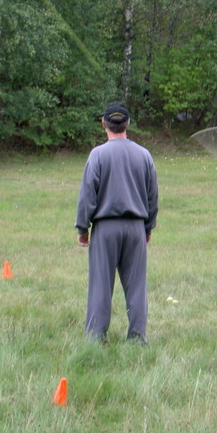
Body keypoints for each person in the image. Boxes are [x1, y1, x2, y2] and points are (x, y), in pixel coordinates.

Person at [75, 102, 159, 344]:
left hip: (105, 228)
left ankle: (95, 338)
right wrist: (148, 227)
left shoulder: (97, 154)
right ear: (128, 124)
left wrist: (83, 228)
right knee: (136, 286)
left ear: (104, 124)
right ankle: (136, 338)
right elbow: (153, 195)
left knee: (101, 284)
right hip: (135, 228)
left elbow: (87, 195)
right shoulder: (144, 155)